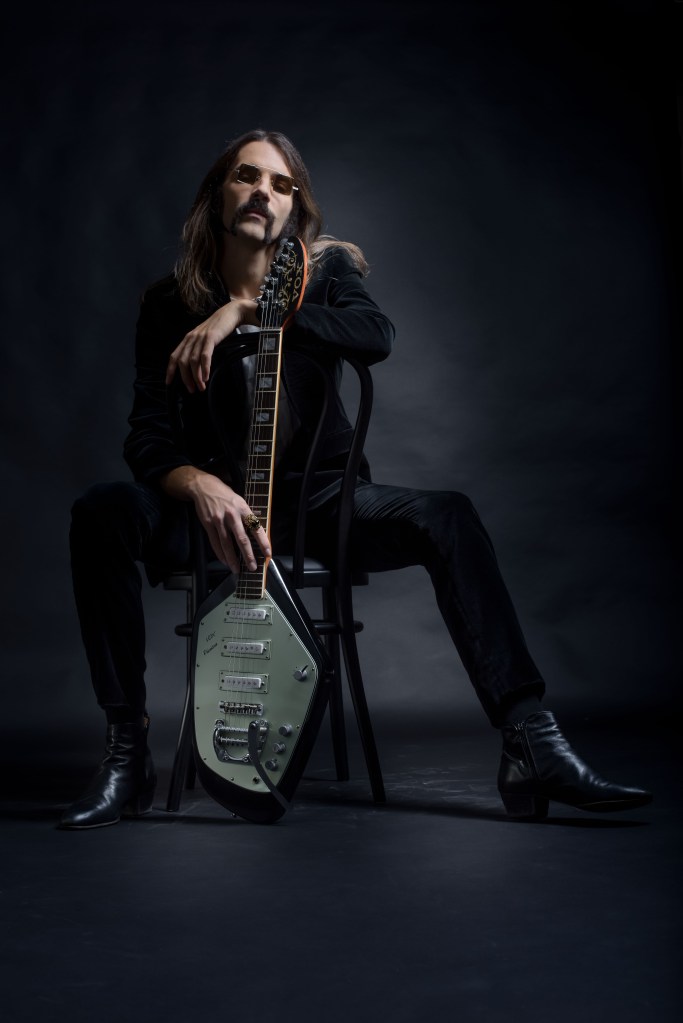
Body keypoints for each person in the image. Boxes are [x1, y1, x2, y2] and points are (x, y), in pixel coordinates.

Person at [61, 129, 651, 829]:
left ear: (295, 209)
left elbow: (375, 336)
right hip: (212, 516)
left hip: (318, 503)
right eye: (247, 177)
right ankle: (127, 751)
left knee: (448, 514)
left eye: (282, 185)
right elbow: (147, 436)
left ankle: (530, 741)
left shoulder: (326, 271)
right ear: (216, 195)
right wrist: (196, 485)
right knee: (101, 510)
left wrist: (250, 310)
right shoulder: (167, 305)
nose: (263, 192)